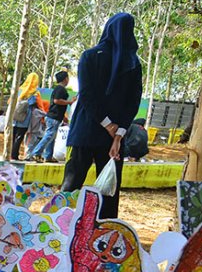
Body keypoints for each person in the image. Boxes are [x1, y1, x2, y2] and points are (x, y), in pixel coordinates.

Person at [60, 12, 143, 220]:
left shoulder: (89, 56)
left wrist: (108, 126)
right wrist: (118, 133)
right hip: (113, 138)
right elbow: (133, 102)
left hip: (86, 133)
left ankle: (57, 226)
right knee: (109, 190)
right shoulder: (133, 64)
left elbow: (86, 96)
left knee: (71, 184)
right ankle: (105, 233)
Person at [30, 71, 77, 163]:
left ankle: (48, 156)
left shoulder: (58, 89)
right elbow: (56, 101)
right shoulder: (61, 89)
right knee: (49, 135)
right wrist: (69, 102)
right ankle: (36, 153)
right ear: (65, 79)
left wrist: (63, 117)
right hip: (53, 117)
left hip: (55, 116)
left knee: (52, 137)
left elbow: (57, 105)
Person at [10, 72, 42, 160]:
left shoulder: (20, 89)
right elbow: (39, 105)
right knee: (19, 137)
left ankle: (10, 154)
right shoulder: (35, 93)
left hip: (14, 116)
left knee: (13, 137)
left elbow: (9, 101)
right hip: (25, 118)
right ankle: (14, 156)